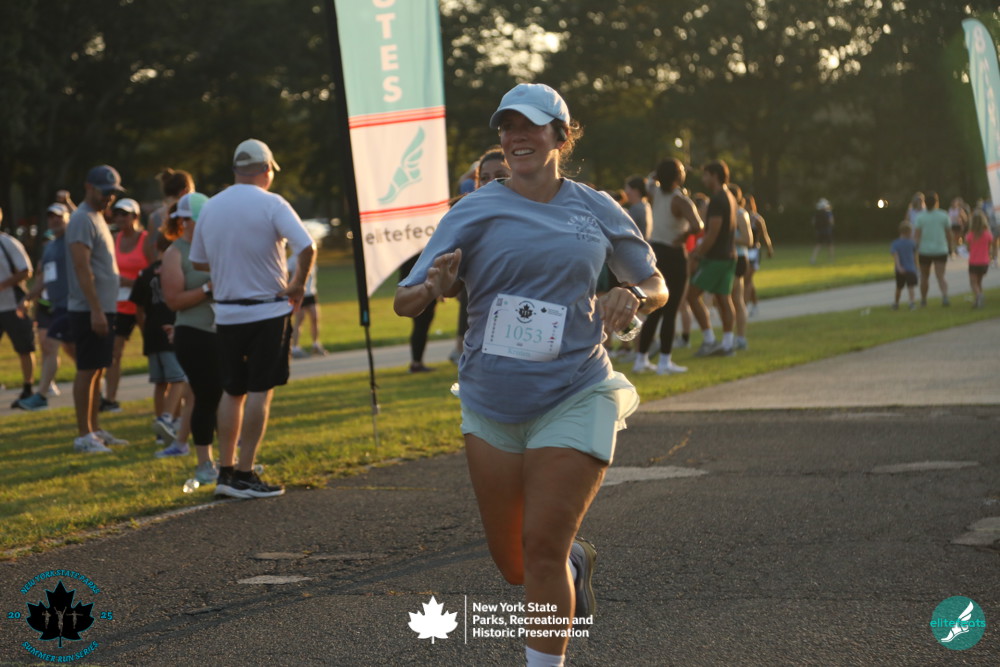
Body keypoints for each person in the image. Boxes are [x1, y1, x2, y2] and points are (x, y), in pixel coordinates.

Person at [394, 83, 667, 667]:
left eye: (530, 126)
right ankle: (573, 562)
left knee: (541, 548)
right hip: (491, 400)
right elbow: (406, 298)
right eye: (507, 126)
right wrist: (432, 288)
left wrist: (633, 294)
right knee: (515, 564)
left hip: (576, 390)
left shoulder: (596, 207)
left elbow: (655, 282)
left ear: (559, 137)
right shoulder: (474, 208)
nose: (516, 136)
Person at [190, 139, 315, 499]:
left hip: (227, 312)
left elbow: (198, 260)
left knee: (232, 391)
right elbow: (307, 246)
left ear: (235, 169)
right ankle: (245, 472)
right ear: (266, 169)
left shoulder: (211, 207)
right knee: (260, 390)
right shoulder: (272, 203)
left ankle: (226, 471)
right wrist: (298, 284)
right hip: (267, 309)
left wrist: (230, 260)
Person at [66, 165, 129, 453]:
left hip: (103, 307)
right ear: (88, 187)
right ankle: (84, 435)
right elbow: (82, 267)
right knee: (87, 369)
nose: (109, 198)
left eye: (113, 193)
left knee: (98, 370)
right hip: (89, 309)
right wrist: (95, 310)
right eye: (105, 192)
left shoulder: (96, 217)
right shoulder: (82, 219)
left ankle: (95, 429)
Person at [160, 192, 219, 484]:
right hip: (194, 334)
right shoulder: (175, 253)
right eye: (190, 220)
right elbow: (173, 301)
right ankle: (204, 463)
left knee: (228, 396)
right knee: (205, 397)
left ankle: (230, 462)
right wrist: (208, 289)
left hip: (224, 331)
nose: (191, 224)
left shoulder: (217, 245)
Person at [633, 158, 703, 375]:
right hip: (674, 254)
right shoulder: (680, 200)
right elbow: (698, 225)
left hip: (655, 253)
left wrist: (656, 174)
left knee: (654, 309)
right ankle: (665, 360)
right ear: (677, 176)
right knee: (671, 310)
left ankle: (641, 359)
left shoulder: (654, 193)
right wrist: (683, 236)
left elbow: (649, 180)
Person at [450, 147, 511, 365]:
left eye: (500, 176)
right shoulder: (466, 219)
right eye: (484, 178)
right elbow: (450, 287)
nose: (491, 182)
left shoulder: (540, 213)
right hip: (483, 330)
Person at [129, 233, 189, 453]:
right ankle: (168, 419)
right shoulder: (177, 269)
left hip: (151, 331)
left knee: (160, 382)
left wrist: (144, 330)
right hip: (170, 328)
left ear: (156, 246)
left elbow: (138, 308)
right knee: (179, 378)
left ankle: (162, 428)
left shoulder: (145, 273)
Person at [18, 204, 76, 410]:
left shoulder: (72, 240)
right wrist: (28, 298)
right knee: (61, 348)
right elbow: (44, 278)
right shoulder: (49, 247)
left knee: (56, 345)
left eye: (59, 216)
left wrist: (68, 202)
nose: (55, 220)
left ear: (68, 218)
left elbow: (82, 220)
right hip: (57, 305)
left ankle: (42, 395)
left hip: (73, 304)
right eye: (51, 217)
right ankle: (94, 382)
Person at [102, 197, 149, 413]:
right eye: (117, 214)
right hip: (121, 304)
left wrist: (132, 282)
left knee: (157, 350)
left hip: (143, 304)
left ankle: (170, 399)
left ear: (135, 216)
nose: (120, 218)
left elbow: (154, 271)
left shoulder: (146, 240)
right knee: (114, 352)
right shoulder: (114, 239)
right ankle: (110, 399)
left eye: (125, 214)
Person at [688, 160, 737, 357]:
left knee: (691, 295)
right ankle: (727, 345)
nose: (703, 179)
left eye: (706, 175)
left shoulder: (717, 199)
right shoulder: (730, 196)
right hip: (728, 255)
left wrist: (697, 254)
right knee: (723, 299)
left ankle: (709, 340)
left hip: (716, 258)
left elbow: (713, 232)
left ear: (714, 175)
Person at [0, 207, 37, 407]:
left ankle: (28, 387)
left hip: (13, 305)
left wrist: (3, 285)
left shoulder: (8, 243)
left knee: (24, 348)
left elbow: (26, 271)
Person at [913, 191, 954, 307]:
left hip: (925, 251)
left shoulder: (920, 217)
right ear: (936, 202)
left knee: (924, 277)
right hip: (940, 249)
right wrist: (951, 248)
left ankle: (923, 300)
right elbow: (949, 234)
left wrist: (915, 249)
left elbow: (916, 236)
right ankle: (945, 296)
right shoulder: (943, 215)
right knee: (940, 276)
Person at [144, 168, 194, 262]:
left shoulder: (154, 217)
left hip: (161, 267)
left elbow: (149, 249)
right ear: (185, 192)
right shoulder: (189, 216)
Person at [288, 251, 325, 358]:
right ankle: (295, 348)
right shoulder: (292, 260)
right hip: (299, 293)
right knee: (300, 319)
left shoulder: (311, 257)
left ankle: (315, 344)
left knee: (315, 317)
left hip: (311, 293)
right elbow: (287, 277)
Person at [729, 185, 753, 351]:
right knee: (728, 300)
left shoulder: (740, 214)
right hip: (729, 258)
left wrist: (728, 238)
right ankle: (732, 337)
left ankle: (740, 338)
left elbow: (748, 240)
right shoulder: (730, 213)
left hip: (739, 258)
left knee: (735, 300)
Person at [744, 194, 773, 317]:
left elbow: (765, 235)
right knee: (747, 280)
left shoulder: (757, 219)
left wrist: (769, 249)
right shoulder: (741, 217)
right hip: (744, 252)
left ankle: (744, 306)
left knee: (747, 280)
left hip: (754, 252)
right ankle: (755, 304)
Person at [966, 210, 994, 308]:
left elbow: (968, 248)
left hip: (974, 262)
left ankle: (979, 296)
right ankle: (978, 301)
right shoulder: (988, 234)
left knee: (973, 283)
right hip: (984, 262)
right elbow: (989, 247)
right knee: (979, 282)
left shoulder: (970, 235)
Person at [890, 221, 918, 310]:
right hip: (911, 269)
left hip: (900, 270)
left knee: (899, 287)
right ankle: (911, 303)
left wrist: (899, 267)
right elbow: (915, 256)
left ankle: (896, 303)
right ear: (908, 232)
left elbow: (896, 256)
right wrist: (916, 267)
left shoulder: (895, 243)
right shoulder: (912, 243)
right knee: (911, 287)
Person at [623, 175, 652, 240]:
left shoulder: (636, 209)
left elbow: (625, 229)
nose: (625, 193)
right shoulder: (646, 205)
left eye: (627, 189)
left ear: (636, 191)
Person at [810, 198, 834, 264]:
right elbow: (831, 222)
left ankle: (813, 258)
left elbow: (813, 222)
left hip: (819, 231)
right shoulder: (828, 213)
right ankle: (831, 259)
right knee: (830, 245)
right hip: (827, 231)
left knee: (818, 245)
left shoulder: (817, 213)